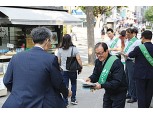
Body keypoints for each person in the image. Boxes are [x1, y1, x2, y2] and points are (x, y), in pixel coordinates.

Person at [2, 27, 72, 108]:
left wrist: (18, 93)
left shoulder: (16, 57)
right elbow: (58, 82)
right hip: (42, 104)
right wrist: (66, 92)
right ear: (47, 40)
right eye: (50, 41)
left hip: (16, 103)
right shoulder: (51, 59)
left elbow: (7, 81)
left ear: (33, 41)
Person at [85, 42, 127, 108]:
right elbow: (96, 74)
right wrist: (90, 79)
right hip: (108, 91)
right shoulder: (98, 61)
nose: (98, 56)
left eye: (100, 53)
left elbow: (116, 82)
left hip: (119, 92)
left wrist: (101, 85)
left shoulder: (116, 63)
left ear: (107, 51)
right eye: (96, 54)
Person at [127, 30, 153, 108]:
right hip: (151, 75)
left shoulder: (139, 47)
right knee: (149, 93)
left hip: (140, 75)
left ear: (143, 37)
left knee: (141, 93)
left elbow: (130, 55)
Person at [57, 34, 82, 107]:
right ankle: (73, 99)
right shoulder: (74, 48)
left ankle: (65, 102)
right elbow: (78, 59)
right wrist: (81, 67)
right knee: (73, 84)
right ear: (70, 40)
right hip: (72, 70)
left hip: (63, 70)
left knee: (65, 86)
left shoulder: (60, 49)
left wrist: (60, 66)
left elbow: (58, 60)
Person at [122, 28, 141, 103]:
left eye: (128, 34)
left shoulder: (137, 41)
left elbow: (137, 53)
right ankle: (129, 93)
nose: (127, 36)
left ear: (133, 33)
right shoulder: (127, 41)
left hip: (132, 61)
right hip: (127, 61)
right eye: (126, 34)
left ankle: (134, 96)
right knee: (127, 78)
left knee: (132, 79)